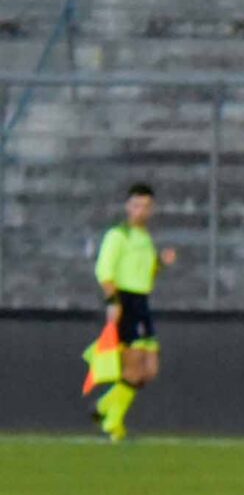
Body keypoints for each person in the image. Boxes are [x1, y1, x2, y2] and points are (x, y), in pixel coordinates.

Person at [86, 182, 177, 441]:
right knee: (134, 368)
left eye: (146, 206)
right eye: (137, 205)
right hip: (126, 301)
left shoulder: (145, 239)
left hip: (142, 302)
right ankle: (113, 425)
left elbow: (147, 275)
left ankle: (104, 406)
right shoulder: (118, 235)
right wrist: (113, 302)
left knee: (150, 370)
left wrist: (160, 262)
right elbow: (104, 271)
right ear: (128, 207)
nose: (141, 210)